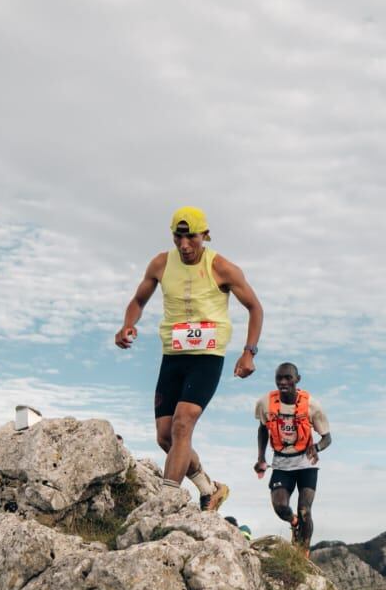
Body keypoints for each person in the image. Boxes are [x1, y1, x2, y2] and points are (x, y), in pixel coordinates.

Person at [115, 206, 263, 511]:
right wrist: (128, 323)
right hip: (173, 355)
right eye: (178, 237)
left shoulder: (222, 267)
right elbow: (139, 299)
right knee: (166, 437)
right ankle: (210, 489)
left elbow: (255, 308)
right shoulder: (160, 263)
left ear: (205, 235)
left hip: (207, 356)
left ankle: (166, 502)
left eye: (191, 237)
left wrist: (249, 352)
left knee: (183, 425)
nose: (184, 245)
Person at [255, 362, 331, 552]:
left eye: (288, 377)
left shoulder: (312, 405)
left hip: (306, 462)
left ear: (297, 379)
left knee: (305, 510)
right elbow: (263, 429)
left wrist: (317, 447)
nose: (283, 382)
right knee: (280, 507)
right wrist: (261, 457)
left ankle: (302, 552)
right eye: (279, 378)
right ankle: (294, 523)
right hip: (281, 463)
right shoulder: (265, 403)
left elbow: (327, 438)